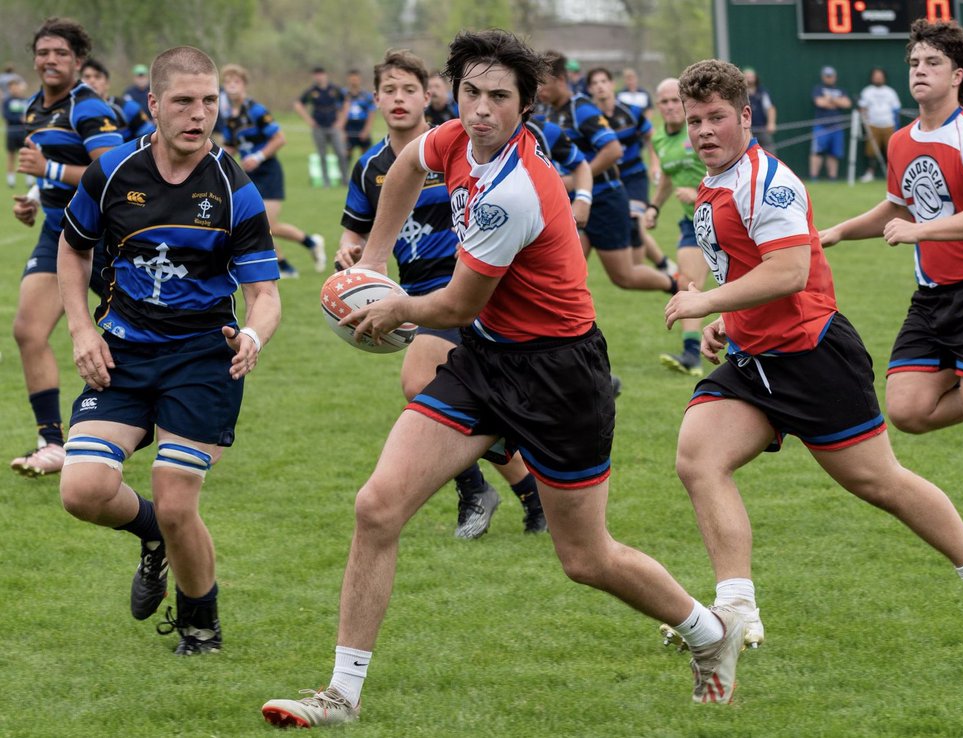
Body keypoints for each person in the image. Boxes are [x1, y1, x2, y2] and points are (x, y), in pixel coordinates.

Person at [261, 30, 746, 728]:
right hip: (487, 359)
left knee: (585, 557)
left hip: (559, 374)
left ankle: (709, 632)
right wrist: (371, 261)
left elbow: (456, 304)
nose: (482, 110)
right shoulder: (452, 138)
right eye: (470, 94)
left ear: (525, 105)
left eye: (499, 97)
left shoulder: (516, 188)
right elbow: (404, 168)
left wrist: (393, 303)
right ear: (450, 95)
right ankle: (341, 695)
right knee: (377, 506)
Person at [658, 56, 963, 654]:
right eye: (694, 119)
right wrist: (726, 318)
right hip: (756, 361)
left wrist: (707, 301)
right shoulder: (714, 183)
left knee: (880, 482)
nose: (702, 131)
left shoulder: (767, 181)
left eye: (716, 117)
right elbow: (747, 268)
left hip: (812, 356)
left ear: (745, 117)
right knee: (698, 459)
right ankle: (735, 610)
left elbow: (789, 272)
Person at [57, 45, 281, 655]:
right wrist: (81, 329)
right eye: (184, 101)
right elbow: (73, 248)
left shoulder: (236, 189)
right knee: (82, 491)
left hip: (204, 358)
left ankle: (200, 624)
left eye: (210, 101)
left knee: (178, 496)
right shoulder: (112, 173)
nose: (199, 113)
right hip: (124, 352)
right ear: (154, 105)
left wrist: (255, 335)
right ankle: (153, 533)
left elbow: (265, 292)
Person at [818, 20, 963, 554]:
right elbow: (898, 205)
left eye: (932, 64)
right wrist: (842, 231)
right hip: (934, 294)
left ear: (958, 75)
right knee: (907, 410)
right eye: (915, 64)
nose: (919, 72)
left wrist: (922, 229)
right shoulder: (901, 139)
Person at [334, 48, 548, 536]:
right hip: (416, 294)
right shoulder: (370, 167)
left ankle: (478, 491)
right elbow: (354, 230)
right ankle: (523, 493)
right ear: (376, 99)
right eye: (389, 90)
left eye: (409, 89)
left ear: (428, 94)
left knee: (423, 385)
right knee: (465, 398)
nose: (400, 99)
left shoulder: (458, 146)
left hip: (471, 286)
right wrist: (353, 257)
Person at [9, 17, 124, 478]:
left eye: (60, 53)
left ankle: (143, 422)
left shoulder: (87, 107)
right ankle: (52, 442)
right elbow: (52, 171)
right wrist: (34, 199)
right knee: (28, 331)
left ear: (78, 60)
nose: (50, 60)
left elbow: (114, 173)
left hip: (100, 239)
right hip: (54, 233)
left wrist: (48, 172)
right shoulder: (34, 108)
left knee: (130, 334)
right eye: (43, 52)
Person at [539, 51, 677, 295]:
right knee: (561, 274)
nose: (538, 88)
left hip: (605, 200)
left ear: (560, 79)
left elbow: (613, 150)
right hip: (575, 203)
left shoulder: (581, 109)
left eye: (542, 82)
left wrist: (577, 179)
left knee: (625, 276)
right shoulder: (550, 112)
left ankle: (676, 284)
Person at [219, 63, 326, 278]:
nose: (232, 86)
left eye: (236, 81)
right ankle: (285, 266)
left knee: (269, 225)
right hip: (248, 175)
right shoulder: (230, 117)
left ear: (244, 85)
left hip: (268, 172)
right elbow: (231, 146)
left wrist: (259, 156)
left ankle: (311, 242)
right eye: (228, 82)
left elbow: (280, 139)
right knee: (257, 224)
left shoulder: (256, 110)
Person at [586, 67, 673, 284]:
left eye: (604, 81)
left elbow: (652, 137)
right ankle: (662, 264)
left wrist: (654, 164)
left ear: (612, 85)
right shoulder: (589, 119)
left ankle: (656, 267)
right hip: (608, 182)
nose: (600, 86)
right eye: (595, 83)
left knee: (634, 218)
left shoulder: (631, 112)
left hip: (634, 176)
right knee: (630, 222)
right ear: (590, 89)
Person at [647, 77, 709, 377]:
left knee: (740, 285)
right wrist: (654, 207)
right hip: (691, 221)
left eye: (676, 101)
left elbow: (726, 171)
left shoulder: (699, 130)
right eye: (665, 102)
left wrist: (698, 195)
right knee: (689, 283)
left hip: (725, 217)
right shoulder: (659, 138)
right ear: (657, 106)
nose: (671, 107)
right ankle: (691, 353)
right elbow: (670, 178)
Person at [294, 66, 348, 187]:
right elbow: (298, 104)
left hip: (333, 125)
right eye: (316, 74)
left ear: (325, 75)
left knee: (340, 153)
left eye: (321, 74)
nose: (319, 77)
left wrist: (341, 121)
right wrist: (308, 120)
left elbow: (346, 102)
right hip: (318, 127)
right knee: (322, 155)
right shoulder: (312, 91)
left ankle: (345, 179)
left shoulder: (334, 89)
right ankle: (326, 181)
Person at [856, 67, 901, 183]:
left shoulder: (890, 92)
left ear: (884, 78)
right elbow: (862, 108)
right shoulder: (867, 91)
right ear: (872, 78)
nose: (878, 78)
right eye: (876, 76)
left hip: (889, 125)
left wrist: (896, 125)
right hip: (872, 125)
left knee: (891, 151)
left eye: (880, 76)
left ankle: (893, 175)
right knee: (871, 151)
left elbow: (896, 109)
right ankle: (870, 173)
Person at [811, 66, 852, 180]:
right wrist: (837, 102)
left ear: (835, 77)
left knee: (834, 154)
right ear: (823, 77)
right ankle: (814, 177)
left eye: (831, 76)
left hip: (837, 126)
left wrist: (830, 99)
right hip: (821, 125)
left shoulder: (841, 90)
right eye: (827, 76)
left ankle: (832, 178)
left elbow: (847, 104)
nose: (829, 78)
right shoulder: (818, 89)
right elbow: (820, 103)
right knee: (817, 152)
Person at [341, 68, 375, 160]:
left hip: (361, 126)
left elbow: (371, 113)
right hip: (348, 127)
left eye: (356, 79)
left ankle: (364, 174)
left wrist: (366, 130)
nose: (354, 82)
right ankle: (345, 174)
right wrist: (341, 131)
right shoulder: (342, 94)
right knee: (345, 156)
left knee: (367, 157)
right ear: (348, 80)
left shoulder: (366, 96)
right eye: (352, 79)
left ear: (360, 79)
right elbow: (338, 112)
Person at [743, 68, 776, 153]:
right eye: (747, 77)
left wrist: (771, 123)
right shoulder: (741, 93)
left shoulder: (762, 92)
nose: (749, 79)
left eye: (751, 76)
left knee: (769, 151)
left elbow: (770, 108)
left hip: (762, 128)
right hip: (747, 129)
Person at [4, 76, 27, 188]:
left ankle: (29, 179)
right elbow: (6, 115)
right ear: (9, 89)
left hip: (23, 133)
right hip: (11, 133)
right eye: (12, 87)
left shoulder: (25, 100)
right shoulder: (7, 101)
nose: (14, 89)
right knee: (11, 156)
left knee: (26, 156)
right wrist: (19, 119)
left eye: (16, 86)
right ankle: (11, 180)